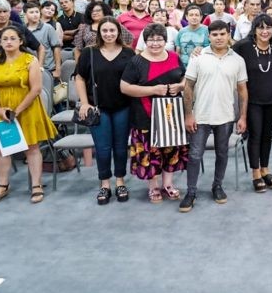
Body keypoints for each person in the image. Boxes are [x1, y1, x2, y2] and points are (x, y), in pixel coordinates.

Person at [180, 20, 248, 212]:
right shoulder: (198, 57)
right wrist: (188, 114)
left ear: (228, 35)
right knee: (195, 155)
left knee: (222, 153)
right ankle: (191, 192)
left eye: (222, 34)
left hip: (225, 116)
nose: (219, 38)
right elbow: (188, 87)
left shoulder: (238, 60)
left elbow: (242, 90)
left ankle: (217, 186)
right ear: (208, 36)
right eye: (215, 34)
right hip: (200, 116)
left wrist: (242, 117)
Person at [0, 26, 57, 205]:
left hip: (27, 108)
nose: (9, 42)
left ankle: (36, 185)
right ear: (0, 42)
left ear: (20, 41)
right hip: (2, 110)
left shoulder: (30, 60)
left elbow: (36, 89)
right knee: (0, 149)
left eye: (13, 38)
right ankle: (2, 185)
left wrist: (16, 111)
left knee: (32, 147)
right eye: (5, 39)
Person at [121, 23, 188, 203]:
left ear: (165, 41)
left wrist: (180, 86)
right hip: (145, 115)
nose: (155, 43)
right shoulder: (136, 61)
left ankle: (168, 184)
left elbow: (184, 78)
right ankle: (153, 187)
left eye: (159, 39)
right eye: (151, 40)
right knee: (150, 154)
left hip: (170, 115)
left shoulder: (174, 57)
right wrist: (152, 90)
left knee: (171, 150)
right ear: (145, 41)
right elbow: (125, 87)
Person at [74, 17, 135, 205]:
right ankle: (105, 183)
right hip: (98, 108)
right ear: (99, 33)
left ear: (119, 32)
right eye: (105, 31)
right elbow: (79, 78)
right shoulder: (89, 52)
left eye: (112, 30)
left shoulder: (128, 52)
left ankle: (120, 181)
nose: (109, 34)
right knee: (102, 147)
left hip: (123, 106)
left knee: (120, 146)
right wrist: (84, 103)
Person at [232, 14, 272, 193]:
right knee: (256, 135)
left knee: (267, 135)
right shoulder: (243, 46)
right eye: (261, 28)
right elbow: (224, 53)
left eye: (268, 27)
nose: (265, 31)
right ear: (254, 29)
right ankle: (255, 173)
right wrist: (200, 50)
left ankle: (265, 169)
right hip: (252, 101)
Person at [24, 2, 62, 87]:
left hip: (48, 68)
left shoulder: (48, 28)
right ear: (25, 14)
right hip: (28, 68)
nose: (35, 15)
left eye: (37, 12)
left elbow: (56, 48)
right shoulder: (23, 29)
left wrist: (58, 69)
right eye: (31, 12)